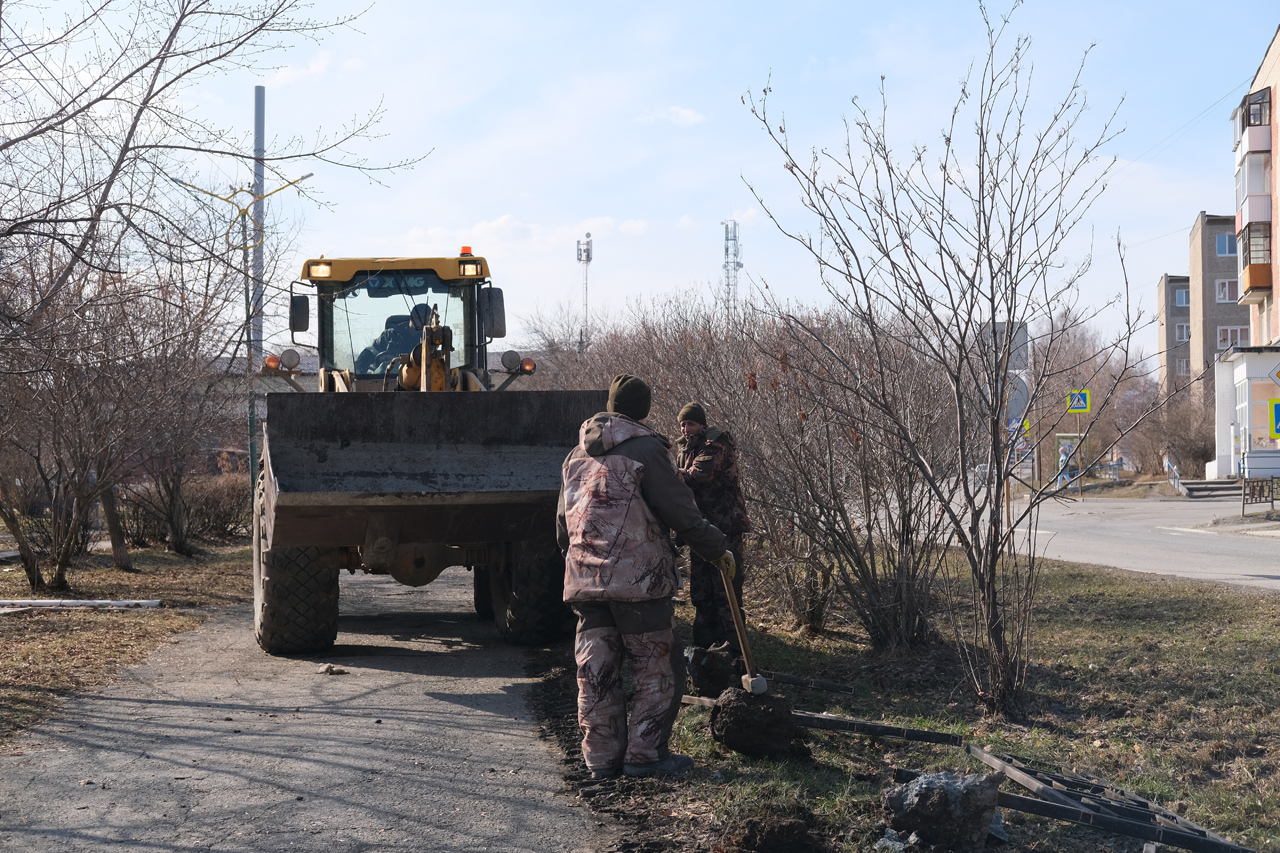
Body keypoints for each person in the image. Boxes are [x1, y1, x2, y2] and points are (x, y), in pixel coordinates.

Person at [557, 375, 735, 780]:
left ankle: (600, 760)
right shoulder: (648, 450)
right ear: (644, 410)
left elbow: (561, 525)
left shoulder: (574, 456)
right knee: (656, 668)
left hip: (585, 582)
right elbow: (680, 511)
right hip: (638, 582)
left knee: (595, 672)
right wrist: (717, 548)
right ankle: (646, 755)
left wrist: (582, 563)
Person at [673, 402, 752, 653]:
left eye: (691, 423)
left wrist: (663, 472)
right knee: (701, 589)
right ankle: (705, 645)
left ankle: (733, 647)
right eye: (683, 424)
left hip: (725, 528)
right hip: (701, 530)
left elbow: (697, 477)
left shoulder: (716, 445)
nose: (686, 429)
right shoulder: (685, 450)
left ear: (702, 425)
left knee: (725, 590)